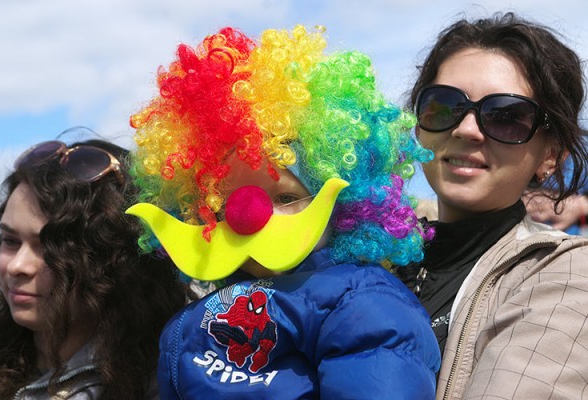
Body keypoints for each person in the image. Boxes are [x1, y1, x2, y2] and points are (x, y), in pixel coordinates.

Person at [127, 25, 440, 399]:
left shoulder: (360, 302)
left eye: (286, 197)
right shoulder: (196, 314)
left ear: (343, 205)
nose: (253, 217)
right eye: (228, 204)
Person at [397, 12, 588, 399]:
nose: (466, 129)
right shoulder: (362, 246)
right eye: (445, 105)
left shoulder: (565, 273)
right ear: (418, 126)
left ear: (550, 156)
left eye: (507, 117)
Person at [0, 134, 187, 399]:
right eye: (11, 240)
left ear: (114, 260)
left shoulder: (171, 384)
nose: (17, 266)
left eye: (51, 249)